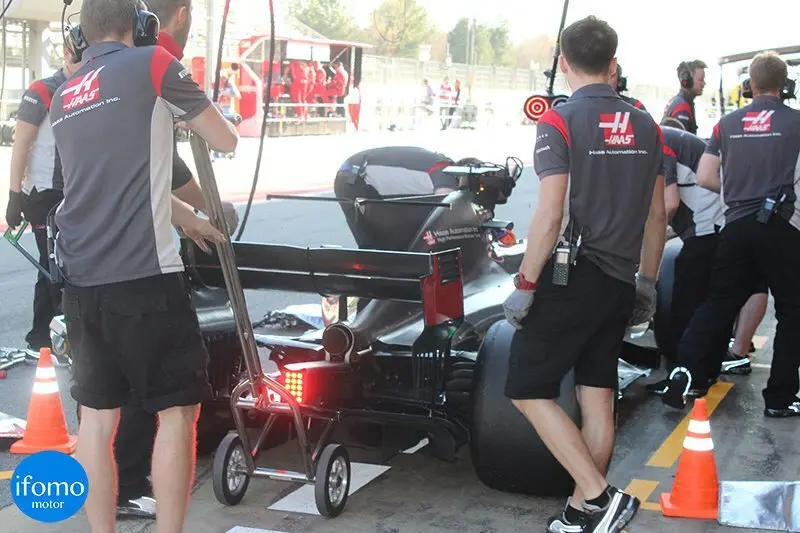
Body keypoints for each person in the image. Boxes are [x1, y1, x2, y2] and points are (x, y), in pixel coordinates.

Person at [49, 1, 237, 532]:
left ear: (81, 36)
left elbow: (109, 181)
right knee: (176, 412)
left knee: (96, 420)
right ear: (142, 26)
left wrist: (187, 219)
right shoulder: (154, 62)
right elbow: (224, 138)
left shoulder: (66, 93)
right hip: (146, 278)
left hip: (82, 283)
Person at [502, 16, 666, 533]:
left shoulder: (559, 120)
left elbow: (551, 213)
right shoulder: (647, 124)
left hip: (572, 277)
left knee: (527, 388)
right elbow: (657, 216)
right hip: (619, 281)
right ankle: (581, 513)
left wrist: (525, 284)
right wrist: (646, 282)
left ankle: (599, 496)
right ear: (613, 64)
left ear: (564, 63)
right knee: (597, 398)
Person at [108, 0, 240, 518]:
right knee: (170, 394)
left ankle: (114, 489)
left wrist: (190, 216)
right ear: (181, 14)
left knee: (106, 396)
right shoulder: (156, 57)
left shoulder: (91, 74)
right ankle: (132, 485)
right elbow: (206, 144)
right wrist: (203, 209)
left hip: (91, 260)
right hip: (142, 263)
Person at [661, 51, 800, 418]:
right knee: (792, 310)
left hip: (735, 225)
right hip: (781, 224)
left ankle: (686, 374)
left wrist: (737, 192)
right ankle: (780, 399)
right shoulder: (796, 121)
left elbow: (706, 176)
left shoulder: (727, 123)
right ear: (784, 85)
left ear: (750, 84)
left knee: (718, 302)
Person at [643, 118, 767, 397]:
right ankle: (704, 373)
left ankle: (684, 376)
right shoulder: (659, 138)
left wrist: (647, 246)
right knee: (713, 302)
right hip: (723, 222)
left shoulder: (655, 142)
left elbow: (668, 204)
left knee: (685, 303)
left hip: (709, 225)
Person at [5, 45, 82, 352]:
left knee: (51, 266)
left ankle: (40, 338)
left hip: (74, 191)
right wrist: (14, 196)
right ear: (65, 53)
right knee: (56, 267)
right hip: (43, 194)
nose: (81, 62)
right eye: (76, 55)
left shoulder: (87, 88)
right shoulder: (42, 91)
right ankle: (61, 338)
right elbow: (21, 144)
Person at [334, 147, 475, 251]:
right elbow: (447, 207)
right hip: (357, 179)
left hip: (349, 174)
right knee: (385, 247)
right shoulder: (445, 170)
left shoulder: (435, 161)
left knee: (374, 247)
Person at [662, 59, 707, 134]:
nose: (704, 83)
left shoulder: (677, 101)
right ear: (687, 81)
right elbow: (682, 140)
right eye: (700, 80)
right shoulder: (682, 107)